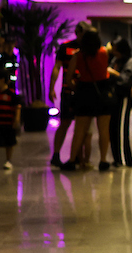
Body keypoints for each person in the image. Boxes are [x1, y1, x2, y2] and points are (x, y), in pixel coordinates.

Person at [61, 29, 117, 171]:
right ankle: (103, 160)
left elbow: (68, 79)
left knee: (80, 130)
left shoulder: (78, 56)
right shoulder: (104, 53)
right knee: (104, 130)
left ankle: (72, 160)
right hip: (102, 92)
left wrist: (76, 89)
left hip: (85, 93)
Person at [49, 20, 91, 167]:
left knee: (82, 126)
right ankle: (56, 154)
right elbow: (57, 67)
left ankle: (79, 157)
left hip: (84, 91)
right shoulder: (66, 47)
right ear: (78, 33)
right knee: (65, 122)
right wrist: (51, 87)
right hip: (68, 91)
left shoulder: (89, 49)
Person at [109, 38, 132, 167]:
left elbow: (126, 81)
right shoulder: (115, 60)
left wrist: (113, 74)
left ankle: (124, 159)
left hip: (124, 98)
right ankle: (116, 158)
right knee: (113, 128)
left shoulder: (130, 62)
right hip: (114, 98)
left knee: (121, 128)